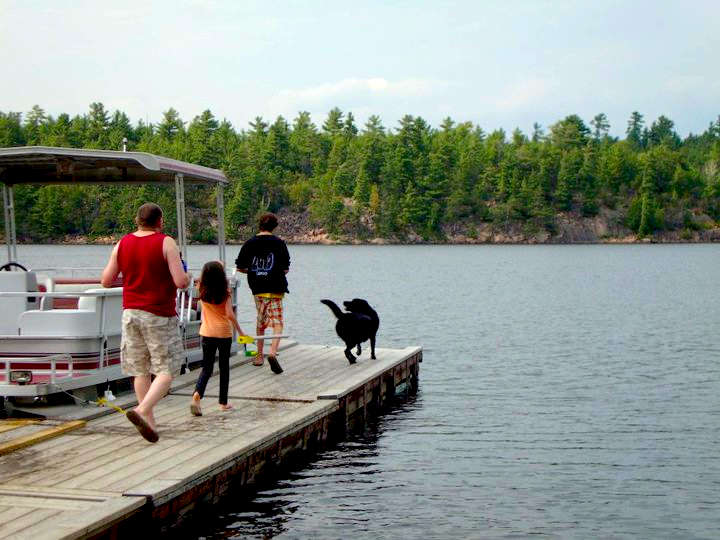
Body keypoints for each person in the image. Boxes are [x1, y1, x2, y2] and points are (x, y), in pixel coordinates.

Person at [101, 202, 190, 443]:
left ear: (137, 220)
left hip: (130, 313)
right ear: (159, 221)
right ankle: (141, 411)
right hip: (159, 314)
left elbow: (106, 281)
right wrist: (188, 276)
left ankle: (149, 424)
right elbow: (180, 282)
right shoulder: (166, 242)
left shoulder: (122, 243)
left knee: (139, 369)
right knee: (166, 370)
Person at [235, 212, 289, 375]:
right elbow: (286, 269)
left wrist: (253, 271)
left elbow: (240, 267)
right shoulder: (280, 243)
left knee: (261, 321)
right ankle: (272, 352)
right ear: (274, 227)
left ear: (260, 225)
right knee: (278, 322)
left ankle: (259, 355)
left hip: (258, 288)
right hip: (276, 288)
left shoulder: (250, 243)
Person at [190, 261, 246, 416]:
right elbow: (229, 314)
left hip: (206, 332)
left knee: (206, 368)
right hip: (223, 333)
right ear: (221, 275)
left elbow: (204, 273)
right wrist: (240, 331)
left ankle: (197, 395)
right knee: (224, 368)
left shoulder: (201, 288)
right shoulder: (225, 291)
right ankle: (223, 402)